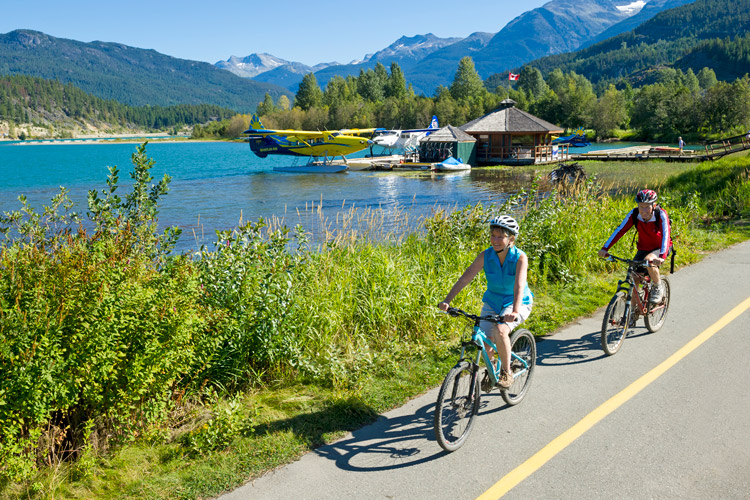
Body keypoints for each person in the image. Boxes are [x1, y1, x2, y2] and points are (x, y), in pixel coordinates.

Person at [438, 215, 533, 389]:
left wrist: (515, 311)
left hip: (516, 302)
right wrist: (447, 300)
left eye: (500, 237)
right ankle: (491, 372)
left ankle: (506, 372)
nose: (495, 240)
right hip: (493, 301)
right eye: (492, 236)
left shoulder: (520, 257)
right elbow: (465, 278)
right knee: (485, 340)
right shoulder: (486, 256)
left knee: (501, 330)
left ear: (511, 239)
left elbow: (519, 285)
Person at [598, 189, 672, 307]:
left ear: (654, 205)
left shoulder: (661, 214)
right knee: (634, 277)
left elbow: (666, 235)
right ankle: (633, 311)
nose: (643, 211)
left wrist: (662, 256)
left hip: (660, 247)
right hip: (643, 248)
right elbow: (620, 230)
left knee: (649, 260)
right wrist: (605, 248)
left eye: (647, 207)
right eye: (641, 206)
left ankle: (658, 287)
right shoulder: (634, 214)